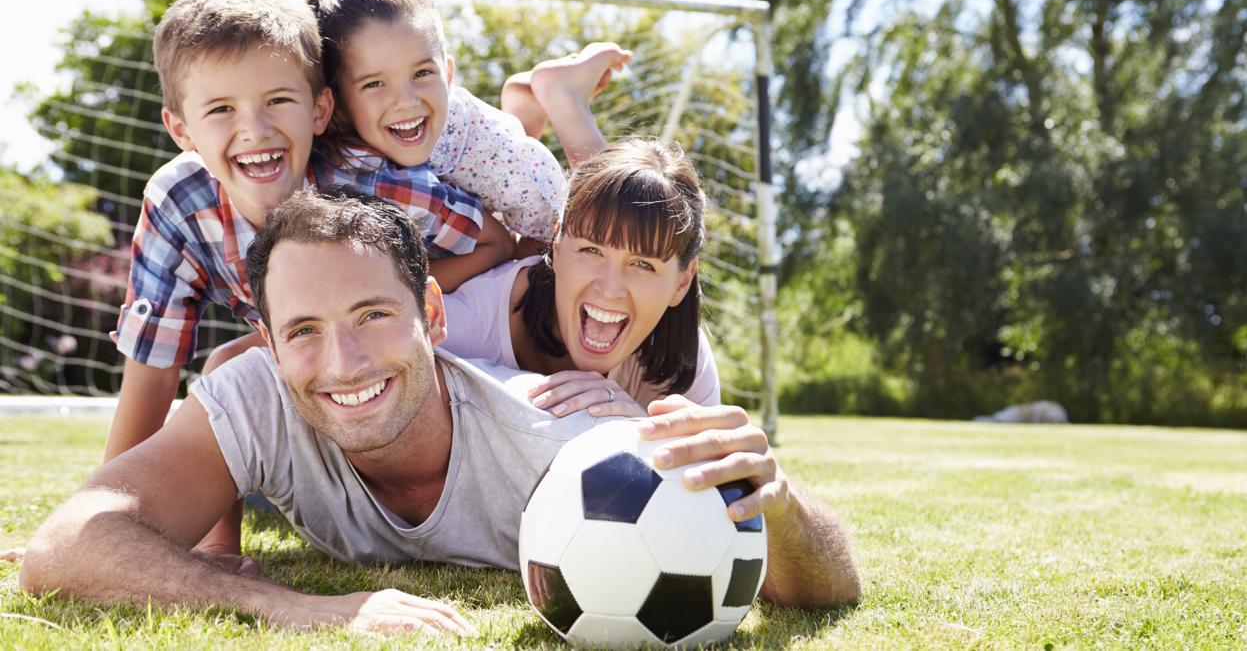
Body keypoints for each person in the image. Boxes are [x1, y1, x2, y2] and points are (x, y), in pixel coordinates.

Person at [19, 190, 861, 636]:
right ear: (269, 347)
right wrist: (305, 609)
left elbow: (820, 592)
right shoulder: (259, 397)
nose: (342, 363)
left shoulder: (569, 447)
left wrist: (776, 500)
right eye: (304, 331)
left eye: (373, 317)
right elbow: (65, 544)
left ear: (432, 313)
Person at [97, 0, 618, 564]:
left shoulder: (372, 183)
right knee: (228, 370)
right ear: (181, 130)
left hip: (426, 322)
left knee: (583, 231)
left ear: (320, 110)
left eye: (278, 102)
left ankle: (545, 113)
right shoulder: (178, 204)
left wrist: (404, 298)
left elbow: (499, 242)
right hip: (321, 355)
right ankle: (220, 547)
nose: (256, 130)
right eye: (221, 110)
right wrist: (110, 506)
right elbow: (153, 367)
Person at [278, 0, 632, 252]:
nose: (405, 100)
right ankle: (524, 109)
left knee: (600, 224)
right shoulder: (361, 140)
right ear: (336, 100)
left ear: (448, 74)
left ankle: (562, 96)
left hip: (521, 177)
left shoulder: (510, 173)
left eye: (421, 74)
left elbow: (516, 248)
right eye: (374, 84)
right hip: (480, 139)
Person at [441, 138, 719, 419]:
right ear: (557, 245)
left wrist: (636, 431)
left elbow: (703, 460)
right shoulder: (461, 329)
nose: (610, 290)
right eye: (592, 250)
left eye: (642, 264)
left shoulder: (682, 364)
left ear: (682, 282)